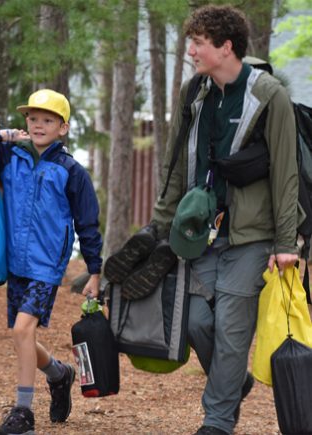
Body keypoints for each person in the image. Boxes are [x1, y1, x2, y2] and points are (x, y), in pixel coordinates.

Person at [150, 5, 300, 435]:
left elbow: (286, 172)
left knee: (232, 331)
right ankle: (235, 382)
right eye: (190, 42)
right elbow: (175, 165)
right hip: (200, 234)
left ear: (226, 46)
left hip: (253, 236)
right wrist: (159, 226)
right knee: (197, 321)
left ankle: (216, 421)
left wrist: (286, 243)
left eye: (198, 43)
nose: (191, 51)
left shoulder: (269, 95)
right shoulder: (193, 93)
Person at [0, 89, 103, 435]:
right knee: (23, 335)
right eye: (33, 119)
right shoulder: (10, 156)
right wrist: (3, 135)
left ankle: (23, 414)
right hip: (16, 263)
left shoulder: (71, 171)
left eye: (48, 120)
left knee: (22, 330)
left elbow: (88, 223)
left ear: (63, 128)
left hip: (47, 266)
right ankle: (59, 373)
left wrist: (94, 270)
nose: (38, 125)